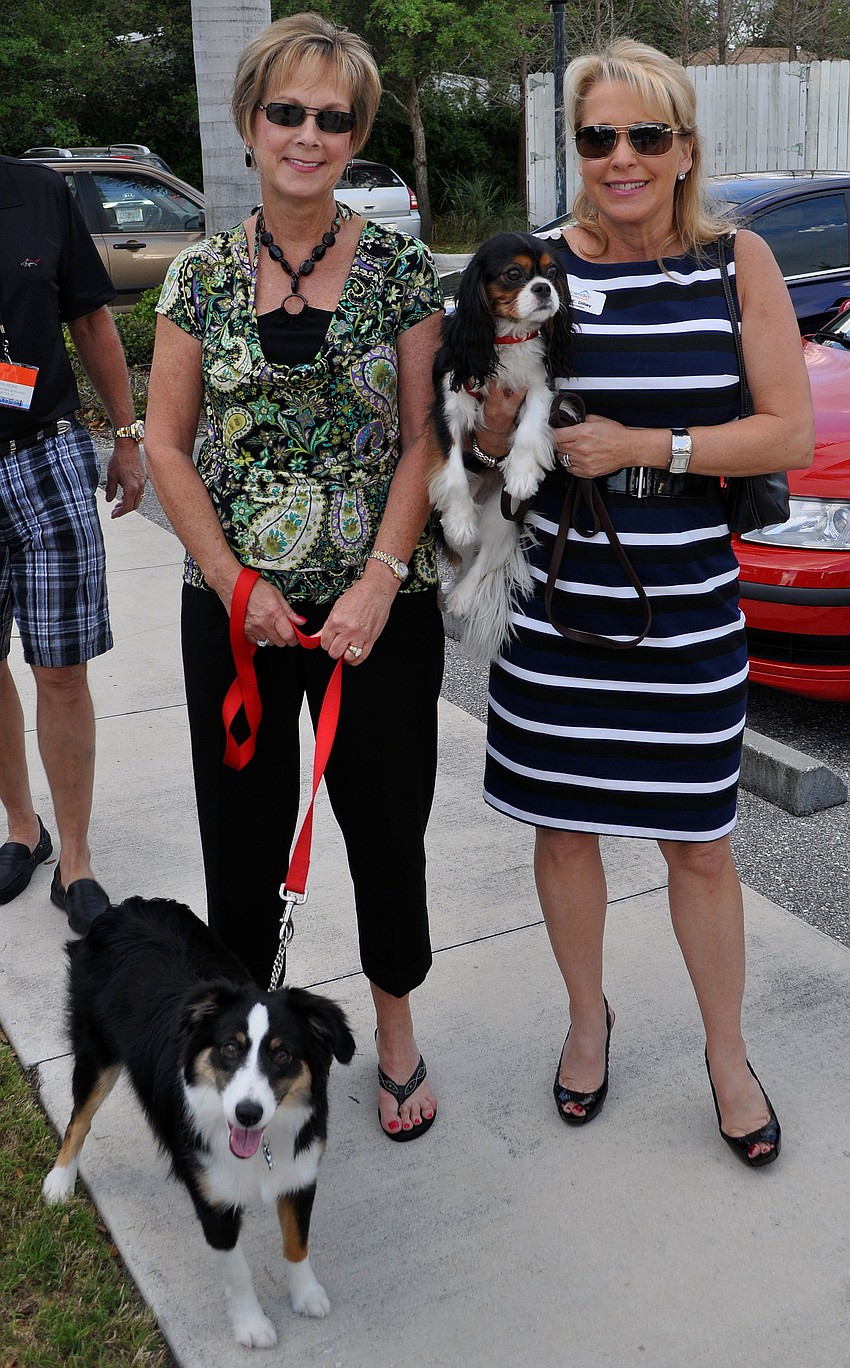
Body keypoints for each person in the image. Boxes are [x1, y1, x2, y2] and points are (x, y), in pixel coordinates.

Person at [473, 40, 813, 1166]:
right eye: (597, 137)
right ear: (577, 150)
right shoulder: (539, 265)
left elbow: (786, 432)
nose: (621, 159)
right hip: (563, 591)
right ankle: (587, 1022)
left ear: (683, 149)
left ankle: (726, 1053)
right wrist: (484, 422)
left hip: (687, 596)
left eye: (645, 137)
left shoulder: (736, 263)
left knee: (700, 848)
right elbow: (490, 421)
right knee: (565, 831)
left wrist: (648, 442)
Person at [144, 13, 444, 1141]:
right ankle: (241, 1052)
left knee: (384, 824)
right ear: (250, 122)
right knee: (242, 838)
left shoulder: (402, 266)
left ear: (356, 132)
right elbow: (167, 445)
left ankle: (396, 1038)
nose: (308, 135)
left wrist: (376, 578)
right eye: (288, 113)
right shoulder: (200, 277)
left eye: (333, 117)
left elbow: (424, 439)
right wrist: (231, 582)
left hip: (380, 614)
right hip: (234, 620)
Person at [0, 154, 146, 933]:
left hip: (47, 457)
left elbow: (91, 317)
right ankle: (23, 828)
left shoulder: (37, 192)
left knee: (61, 669)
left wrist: (126, 436)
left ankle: (77, 860)